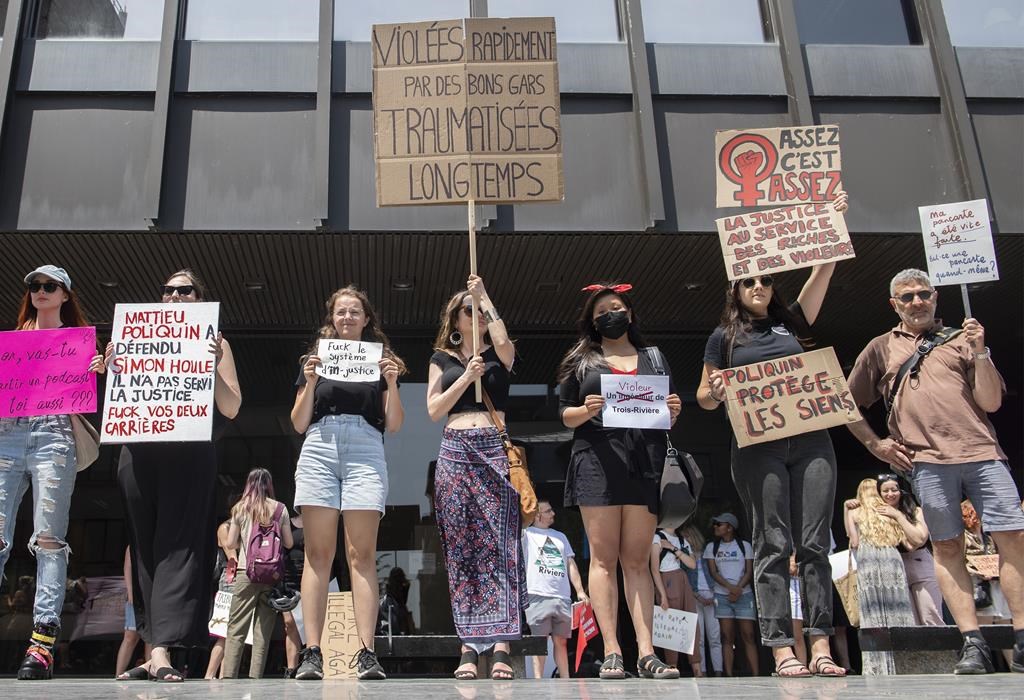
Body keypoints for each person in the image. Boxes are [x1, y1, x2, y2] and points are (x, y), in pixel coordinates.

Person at [697, 193, 850, 678]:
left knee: (814, 543)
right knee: (771, 541)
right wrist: (717, 391)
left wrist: (833, 217)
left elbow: (822, 271)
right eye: (750, 279)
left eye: (766, 279)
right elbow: (703, 396)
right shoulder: (724, 338)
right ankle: (782, 647)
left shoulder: (793, 325)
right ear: (736, 288)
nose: (759, 285)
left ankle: (820, 644)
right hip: (756, 447)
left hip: (811, 442)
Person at [845, 268, 1024, 674]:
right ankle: (972, 642)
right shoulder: (880, 348)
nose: (916, 302)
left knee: (1012, 538)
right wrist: (876, 444)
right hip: (925, 461)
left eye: (923, 294)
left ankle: (1022, 634)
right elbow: (846, 403)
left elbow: (991, 401)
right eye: (906, 297)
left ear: (936, 297)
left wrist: (981, 351)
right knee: (945, 547)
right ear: (894, 305)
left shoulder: (963, 338)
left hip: (982, 453)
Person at [114, 268, 242, 682]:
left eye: (184, 290)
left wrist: (210, 364)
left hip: (188, 453)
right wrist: (112, 365)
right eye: (166, 289)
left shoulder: (216, 343)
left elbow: (232, 406)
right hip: (138, 451)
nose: (173, 296)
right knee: (145, 546)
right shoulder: (138, 337)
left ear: (199, 297)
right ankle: (152, 652)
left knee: (177, 546)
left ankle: (164, 651)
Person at [557, 283, 682, 680]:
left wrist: (673, 411)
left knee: (637, 560)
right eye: (601, 311)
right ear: (592, 322)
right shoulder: (582, 360)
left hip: (646, 461)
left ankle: (647, 652)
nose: (611, 314)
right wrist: (584, 409)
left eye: (617, 307)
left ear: (629, 312)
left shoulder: (654, 357)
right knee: (603, 558)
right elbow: (563, 414)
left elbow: (668, 412)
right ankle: (612, 650)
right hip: (597, 460)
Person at [291, 285, 405, 681]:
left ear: (366, 319)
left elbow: (393, 424)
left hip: (365, 447)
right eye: (341, 312)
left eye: (355, 312)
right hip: (320, 444)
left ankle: (366, 651)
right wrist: (308, 380)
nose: (347, 318)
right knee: (318, 556)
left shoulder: (381, 362)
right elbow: (298, 422)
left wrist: (391, 383)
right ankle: (312, 651)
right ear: (332, 319)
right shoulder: (316, 358)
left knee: (361, 556)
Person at [0, 265, 105, 680]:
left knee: (48, 537)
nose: (40, 291)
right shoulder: (14, 342)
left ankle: (42, 641)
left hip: (55, 433)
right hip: (9, 433)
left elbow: (89, 397)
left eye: (49, 286)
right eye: (34, 286)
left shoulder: (80, 343)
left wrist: (99, 371)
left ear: (65, 294)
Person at [427, 274, 522, 681]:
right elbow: (433, 410)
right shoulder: (441, 359)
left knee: (501, 545)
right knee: (461, 549)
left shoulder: (500, 355)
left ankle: (501, 645)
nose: (477, 315)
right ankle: (467, 645)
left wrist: (486, 297)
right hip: (454, 448)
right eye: (470, 310)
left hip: (492, 448)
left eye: (480, 311)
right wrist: (466, 376)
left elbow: (504, 345)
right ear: (456, 319)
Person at [221, 468, 293, 679]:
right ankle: (256, 680)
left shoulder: (241, 508)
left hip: (246, 573)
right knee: (263, 631)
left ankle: (229, 678)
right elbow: (288, 543)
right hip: (271, 576)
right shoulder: (280, 509)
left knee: (237, 628)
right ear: (269, 485)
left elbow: (230, 542)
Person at [845, 474, 941, 626]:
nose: (890, 494)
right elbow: (855, 538)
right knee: (908, 621)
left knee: (930, 615)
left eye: (894, 490)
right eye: (885, 491)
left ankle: (941, 650)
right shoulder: (879, 514)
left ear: (901, 491)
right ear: (878, 493)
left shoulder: (915, 511)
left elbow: (917, 541)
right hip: (894, 568)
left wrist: (897, 516)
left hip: (920, 564)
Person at [844, 477, 916, 675]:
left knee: (873, 613)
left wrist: (846, 510)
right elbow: (909, 544)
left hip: (868, 560)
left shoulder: (855, 511)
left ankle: (877, 665)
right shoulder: (888, 512)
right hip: (891, 558)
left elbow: (855, 541)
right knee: (898, 607)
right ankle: (904, 662)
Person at [521, 500, 589, 679]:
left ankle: (565, 678)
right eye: (548, 511)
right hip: (537, 594)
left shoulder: (561, 536)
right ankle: (538, 679)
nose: (553, 514)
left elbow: (570, 564)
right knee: (539, 641)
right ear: (537, 515)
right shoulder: (526, 535)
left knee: (561, 641)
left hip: (562, 596)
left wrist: (580, 591)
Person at [703, 513, 758, 677]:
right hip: (722, 595)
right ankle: (728, 675)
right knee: (726, 637)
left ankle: (756, 674)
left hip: (744, 594)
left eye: (719, 524)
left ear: (730, 527)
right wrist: (730, 588)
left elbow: (749, 571)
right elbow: (713, 572)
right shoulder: (711, 547)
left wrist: (738, 588)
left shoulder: (745, 546)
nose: (715, 527)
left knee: (748, 635)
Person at [962, 500, 1014, 667]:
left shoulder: (988, 537)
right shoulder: (964, 537)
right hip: (979, 585)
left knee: (1004, 623)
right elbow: (959, 562)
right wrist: (977, 570)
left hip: (996, 585)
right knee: (984, 624)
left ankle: (1013, 663)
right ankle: (982, 662)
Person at [650, 526, 703, 676]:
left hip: (682, 578)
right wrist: (662, 595)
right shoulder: (657, 537)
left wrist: (674, 549)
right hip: (666, 579)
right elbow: (654, 569)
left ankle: (697, 669)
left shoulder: (681, 539)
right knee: (671, 626)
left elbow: (692, 564)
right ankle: (672, 666)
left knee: (691, 624)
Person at [681, 523, 723, 676]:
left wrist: (713, 595)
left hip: (712, 596)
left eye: (686, 536)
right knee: (699, 638)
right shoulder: (684, 556)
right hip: (695, 597)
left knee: (715, 636)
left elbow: (717, 573)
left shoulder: (707, 552)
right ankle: (702, 671)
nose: (684, 539)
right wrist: (697, 596)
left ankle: (719, 671)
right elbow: (684, 578)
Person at [203, 519, 237, 679]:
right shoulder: (225, 528)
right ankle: (210, 674)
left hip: (241, 577)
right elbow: (232, 556)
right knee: (223, 632)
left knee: (235, 634)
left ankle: (224, 675)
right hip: (231, 577)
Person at [115, 547, 151, 679]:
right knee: (130, 636)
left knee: (151, 638)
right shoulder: (133, 546)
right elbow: (128, 568)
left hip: (153, 594)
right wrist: (130, 592)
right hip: (136, 595)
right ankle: (118, 673)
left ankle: (151, 672)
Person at [281, 512, 304, 678]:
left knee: (313, 623)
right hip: (289, 578)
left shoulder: (319, 522)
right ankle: (291, 668)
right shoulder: (288, 523)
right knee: (290, 623)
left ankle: (315, 661)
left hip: (314, 578)